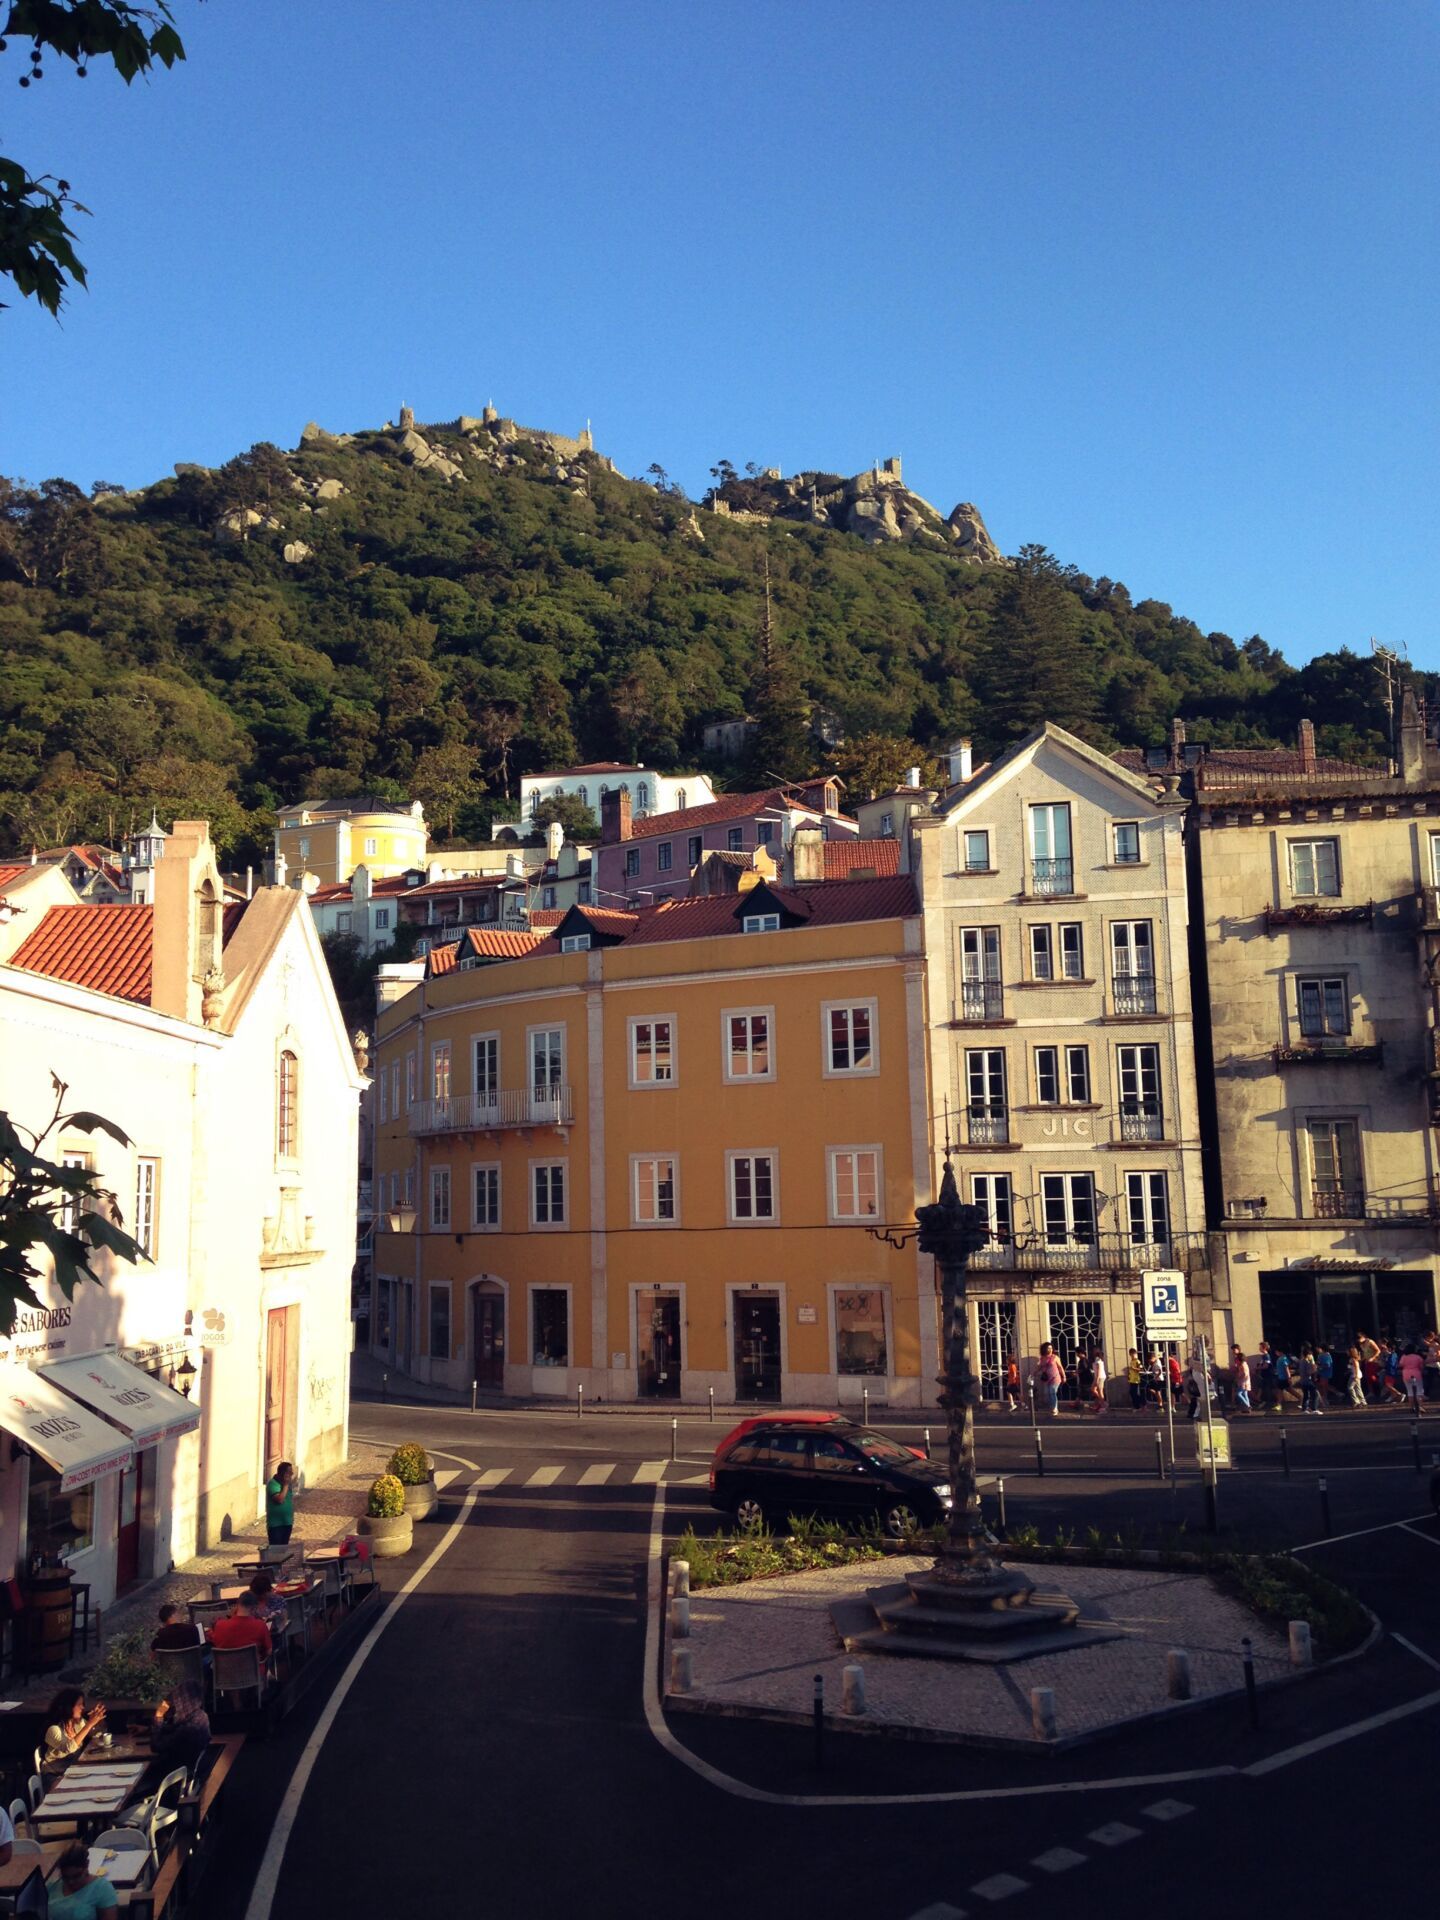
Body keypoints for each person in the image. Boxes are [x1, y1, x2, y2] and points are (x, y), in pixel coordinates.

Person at [150, 1679, 211, 1773]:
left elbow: (155, 1746)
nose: (175, 1705)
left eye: (177, 1700)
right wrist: (148, 1728)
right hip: (186, 1770)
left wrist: (158, 1716)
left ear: (183, 1701)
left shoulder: (189, 1729)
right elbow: (173, 1728)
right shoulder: (200, 1716)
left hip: (173, 1775)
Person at [48, 1841, 117, 1918]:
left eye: (76, 1876)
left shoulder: (102, 1889)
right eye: (66, 1877)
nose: (71, 1882)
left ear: (87, 1865)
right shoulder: (52, 1886)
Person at [207, 1591, 273, 1665]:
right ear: (254, 1609)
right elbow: (269, 1651)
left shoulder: (219, 1625)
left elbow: (214, 1642)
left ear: (237, 1606)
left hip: (225, 1674)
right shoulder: (260, 1625)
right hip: (252, 1673)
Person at [43, 1688, 105, 1765]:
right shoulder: (54, 1729)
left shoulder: (78, 1723)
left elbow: (96, 1735)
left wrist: (99, 1720)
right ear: (68, 1706)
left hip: (74, 1770)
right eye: (79, 1705)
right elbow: (69, 1748)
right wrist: (89, 1724)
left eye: (83, 1704)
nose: (83, 1707)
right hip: (54, 1774)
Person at [248, 1569, 290, 1640]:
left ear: (268, 1591)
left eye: (263, 1595)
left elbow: (283, 1620)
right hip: (254, 1637)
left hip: (274, 1637)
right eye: (258, 1595)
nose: (261, 1597)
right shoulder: (249, 1601)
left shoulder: (277, 1600)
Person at [265, 1460, 295, 1547]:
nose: (292, 1474)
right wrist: (285, 1485)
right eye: (289, 1472)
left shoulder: (287, 1484)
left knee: (284, 1549)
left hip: (287, 1522)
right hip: (276, 1524)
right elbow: (280, 1500)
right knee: (276, 1550)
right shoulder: (273, 1484)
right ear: (283, 1473)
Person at [1034, 1343, 1065, 1416]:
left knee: (1052, 1392)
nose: (1050, 1350)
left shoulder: (1055, 1357)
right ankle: (1052, 1407)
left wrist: (1064, 1376)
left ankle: (1054, 1408)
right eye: (1048, 1348)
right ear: (1044, 1349)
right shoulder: (1042, 1358)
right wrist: (1033, 1373)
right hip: (1047, 1379)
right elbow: (1039, 1368)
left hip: (1055, 1378)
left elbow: (1060, 1367)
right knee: (1047, 1393)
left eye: (1051, 1348)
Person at [1400, 1344, 1426, 1415]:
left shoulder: (1404, 1356)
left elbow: (1400, 1365)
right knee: (1419, 1391)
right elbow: (1421, 1366)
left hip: (1406, 1374)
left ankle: (1411, 1407)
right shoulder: (1418, 1357)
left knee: (1410, 1391)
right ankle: (1419, 1406)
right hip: (1416, 1374)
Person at [1232, 1347, 1252, 1412]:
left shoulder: (1243, 1365)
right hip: (1245, 1381)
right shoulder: (1243, 1364)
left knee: (1238, 1394)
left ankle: (1248, 1406)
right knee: (1245, 1394)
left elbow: (1244, 1374)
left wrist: (1239, 1378)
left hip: (1243, 1382)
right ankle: (1247, 1408)